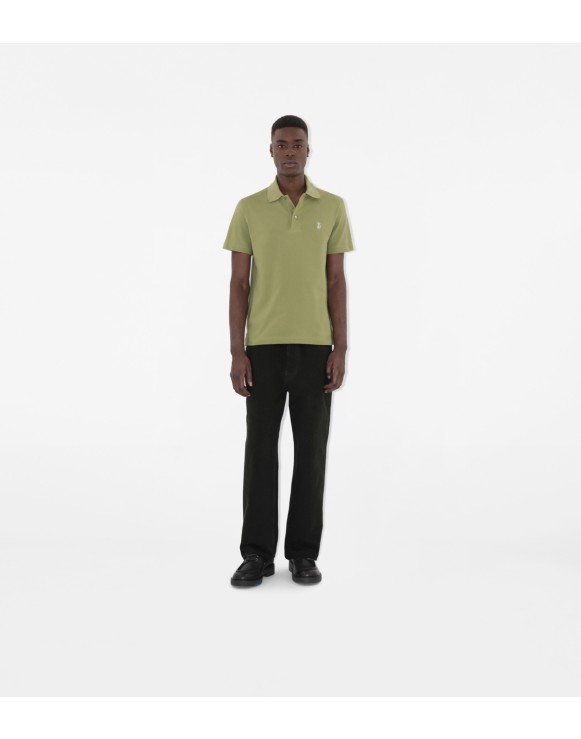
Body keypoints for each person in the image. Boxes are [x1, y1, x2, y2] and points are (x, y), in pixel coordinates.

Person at [222, 114, 355, 587]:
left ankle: (302, 554)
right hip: (262, 347)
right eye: (282, 144)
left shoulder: (332, 207)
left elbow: (336, 280)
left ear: (308, 149)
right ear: (271, 150)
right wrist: (237, 352)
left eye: (298, 144)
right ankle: (256, 554)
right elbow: (239, 284)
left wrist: (341, 347)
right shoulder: (249, 208)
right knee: (260, 451)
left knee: (311, 453)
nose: (290, 151)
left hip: (316, 346)